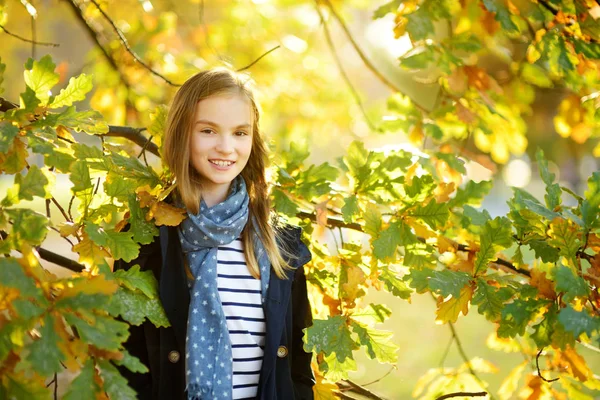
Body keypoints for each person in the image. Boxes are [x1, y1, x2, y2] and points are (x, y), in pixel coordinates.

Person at [115, 67, 315, 400]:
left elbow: (298, 363)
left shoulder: (279, 242)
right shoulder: (144, 242)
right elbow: (127, 364)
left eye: (240, 133)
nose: (226, 147)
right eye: (208, 130)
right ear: (182, 135)